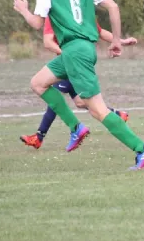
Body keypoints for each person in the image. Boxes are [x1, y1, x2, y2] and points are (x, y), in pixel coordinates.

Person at [13, 0, 144, 170]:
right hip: (80, 50)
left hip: (74, 51)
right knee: (38, 83)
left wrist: (23, 10)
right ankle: (76, 127)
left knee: (99, 110)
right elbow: (113, 7)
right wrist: (116, 40)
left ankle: (141, 148)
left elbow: (38, 24)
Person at [19, 17, 137, 149]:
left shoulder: (57, 9)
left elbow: (99, 31)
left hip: (71, 63)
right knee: (80, 102)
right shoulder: (73, 8)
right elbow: (100, 31)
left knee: (53, 97)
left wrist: (120, 41)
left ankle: (39, 137)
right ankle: (116, 114)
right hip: (72, 61)